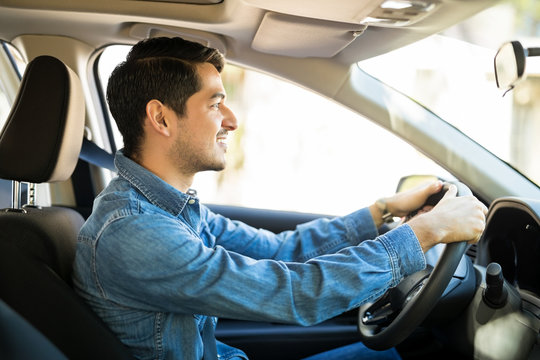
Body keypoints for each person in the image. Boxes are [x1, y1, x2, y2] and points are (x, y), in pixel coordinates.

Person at [72, 36, 488, 360]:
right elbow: (291, 294)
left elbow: (280, 250)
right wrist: (424, 233)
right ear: (161, 118)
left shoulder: (168, 207)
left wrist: (382, 212)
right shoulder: (135, 231)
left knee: (412, 348)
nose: (232, 120)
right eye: (215, 104)